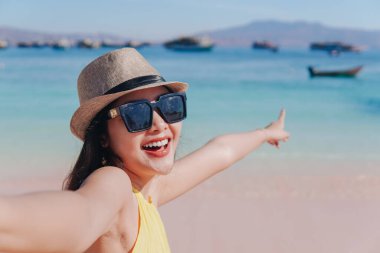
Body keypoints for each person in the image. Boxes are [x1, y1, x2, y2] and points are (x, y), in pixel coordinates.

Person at [0, 48, 289, 253]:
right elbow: (80, 219)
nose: (159, 124)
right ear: (102, 136)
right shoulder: (114, 184)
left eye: (169, 106)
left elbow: (220, 152)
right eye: (136, 113)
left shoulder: (149, 192)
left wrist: (264, 133)